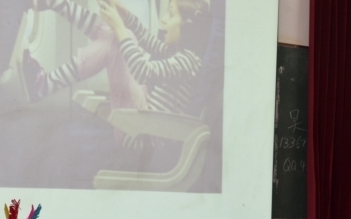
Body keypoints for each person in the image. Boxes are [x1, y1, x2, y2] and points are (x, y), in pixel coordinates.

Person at [27, 0, 213, 149]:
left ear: (188, 27)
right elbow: (144, 37)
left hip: (141, 136)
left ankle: (45, 84)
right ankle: (56, 3)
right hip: (142, 122)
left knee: (121, 37)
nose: (163, 20)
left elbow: (143, 71)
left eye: (170, 15)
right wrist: (123, 15)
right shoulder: (177, 53)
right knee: (116, 34)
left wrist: (119, 27)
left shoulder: (189, 62)